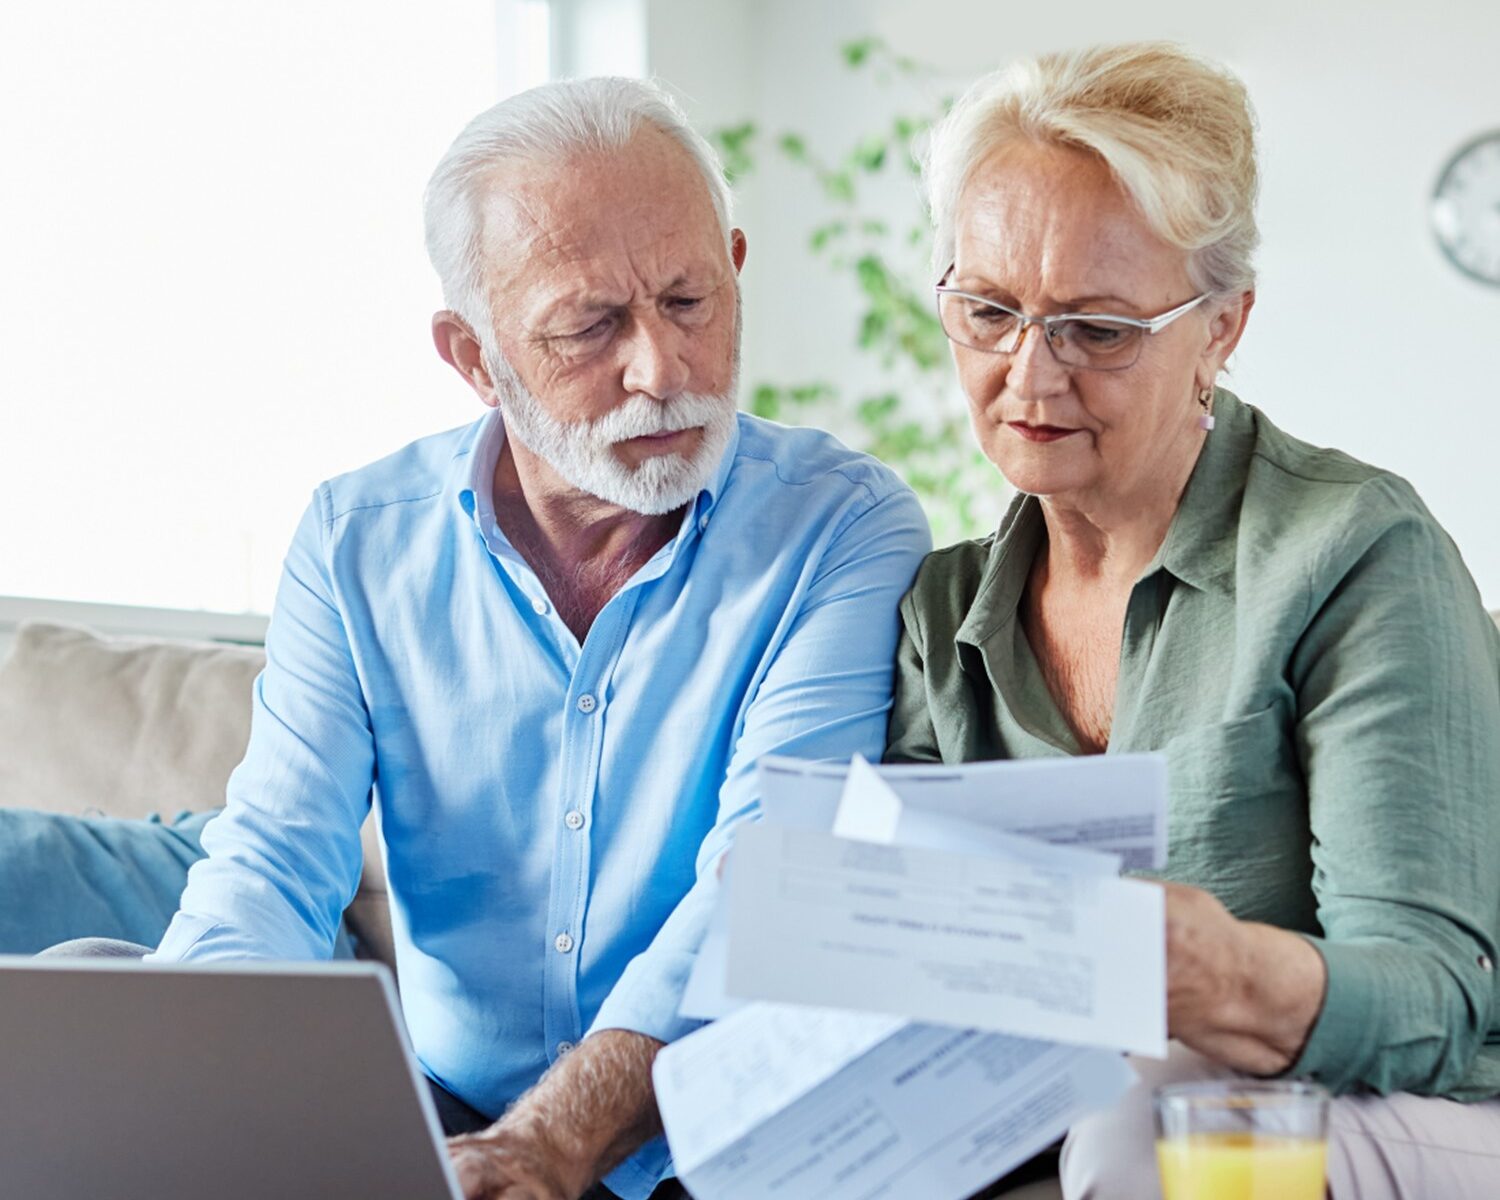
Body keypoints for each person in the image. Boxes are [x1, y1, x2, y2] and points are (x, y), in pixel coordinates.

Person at [141, 77, 930, 1200]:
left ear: (737, 267)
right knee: (103, 993)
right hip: (448, 1114)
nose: (661, 370)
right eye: (590, 326)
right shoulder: (356, 541)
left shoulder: (843, 531)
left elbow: (769, 885)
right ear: (472, 355)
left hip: (718, 1137)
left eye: (690, 301)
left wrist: (551, 1142)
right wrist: (181, 1072)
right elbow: (273, 859)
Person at [886, 42, 1500, 1199]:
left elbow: (1437, 1001)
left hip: (1414, 1112)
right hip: (1083, 1119)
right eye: (989, 311)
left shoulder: (1356, 552)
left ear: (1222, 326)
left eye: (1098, 330)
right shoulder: (942, 613)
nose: (1030, 376)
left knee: (1148, 1126)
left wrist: (1225, 976)